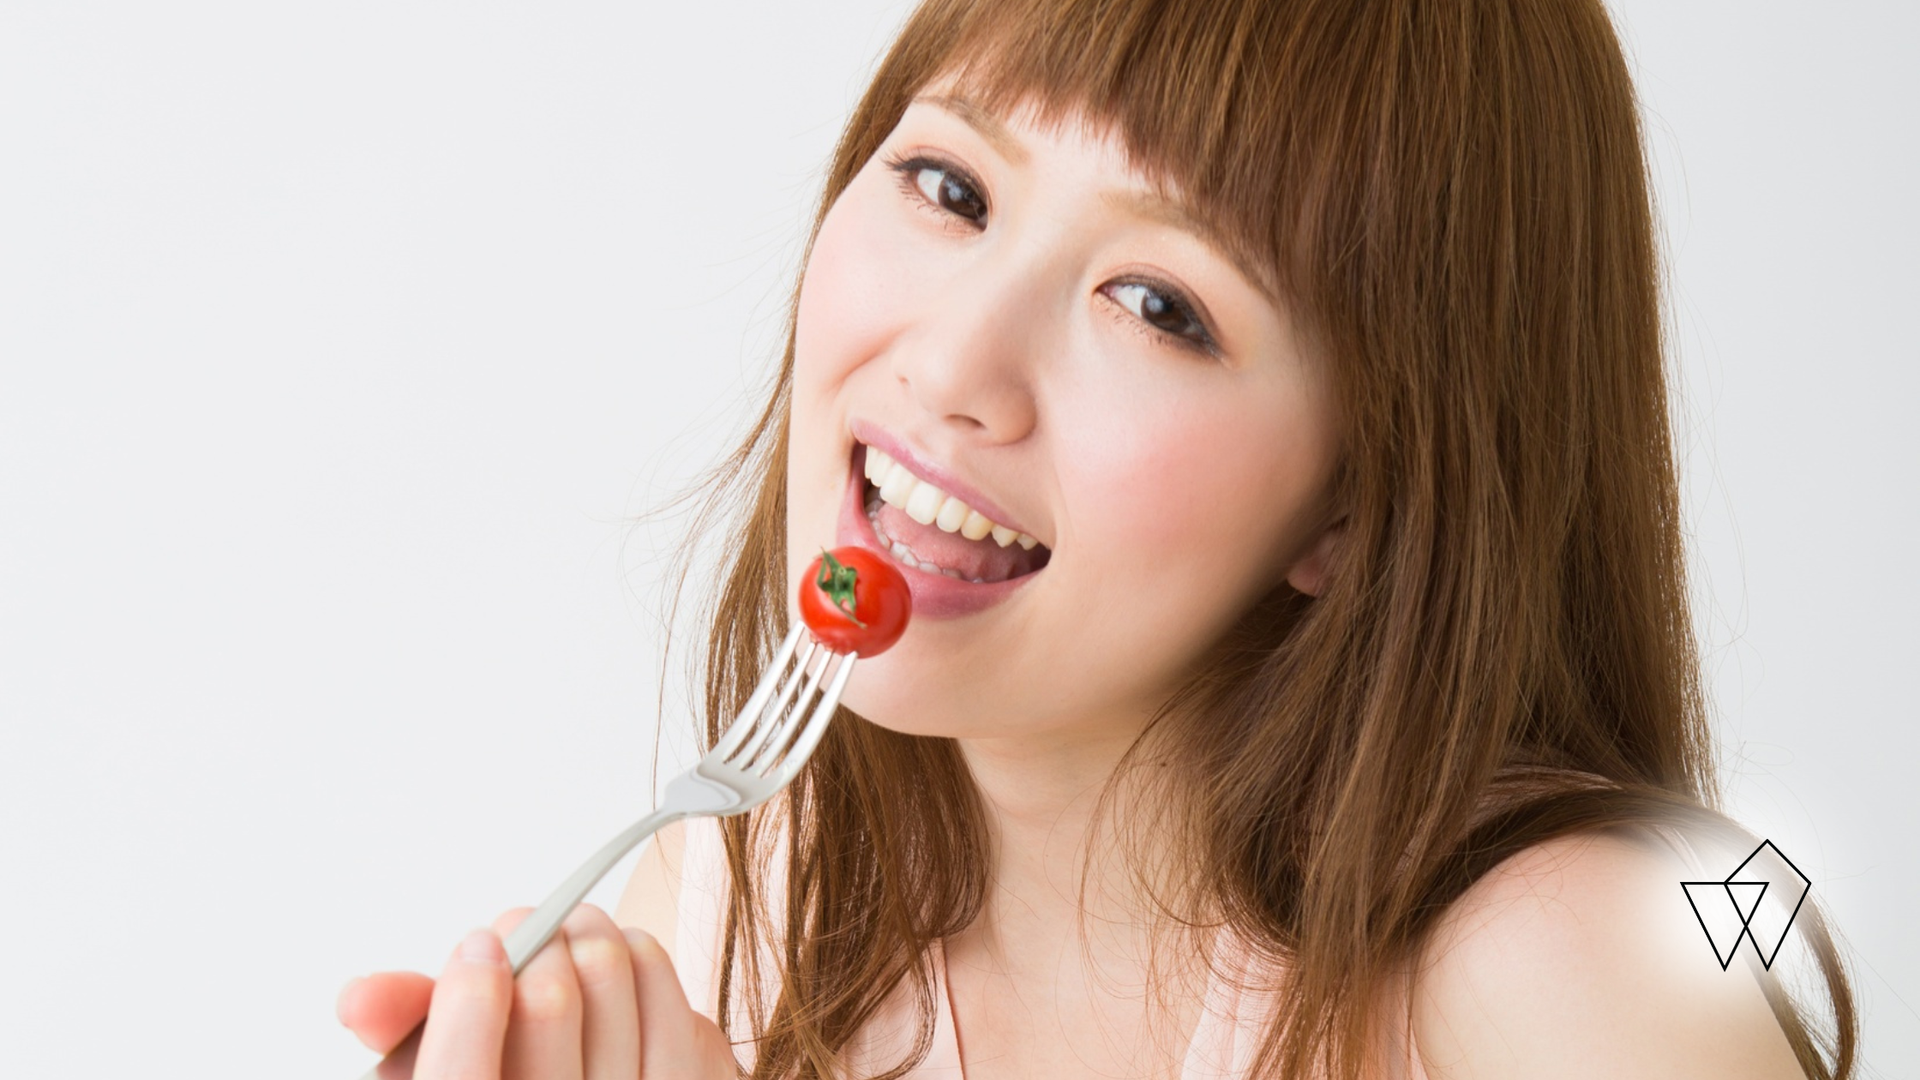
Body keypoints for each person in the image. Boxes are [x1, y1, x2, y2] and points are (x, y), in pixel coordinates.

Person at [336, 0, 1859, 1076]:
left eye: (1160, 306)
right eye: (951, 186)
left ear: (1360, 500)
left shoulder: (1576, 971)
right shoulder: (742, 909)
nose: (949, 367)